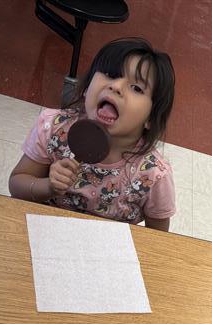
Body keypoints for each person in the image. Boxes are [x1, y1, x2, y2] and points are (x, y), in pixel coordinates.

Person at [9, 37, 176, 231]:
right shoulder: (55, 128)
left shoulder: (153, 175)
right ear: (87, 87)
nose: (116, 86)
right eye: (111, 74)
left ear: (151, 117)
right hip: (43, 231)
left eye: (136, 88)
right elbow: (16, 184)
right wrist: (48, 187)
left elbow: (159, 239)